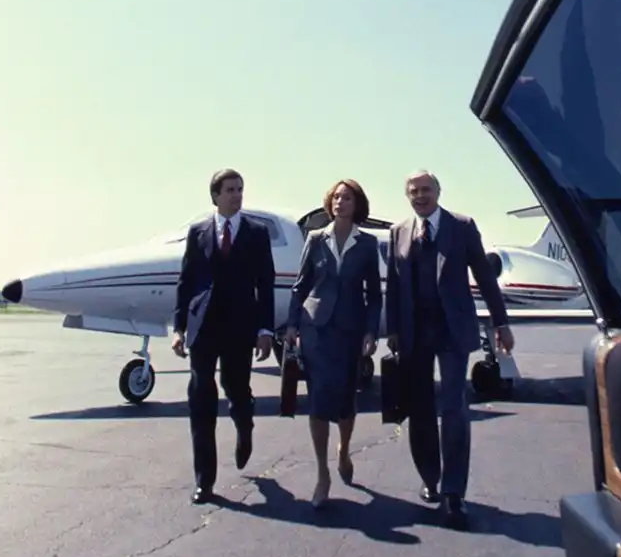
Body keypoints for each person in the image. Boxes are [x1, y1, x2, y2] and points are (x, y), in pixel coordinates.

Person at [383, 170, 513, 528]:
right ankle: (430, 478)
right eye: (414, 191)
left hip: (452, 330)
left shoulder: (462, 226)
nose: (421, 196)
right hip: (414, 331)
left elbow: (485, 278)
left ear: (438, 192)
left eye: (426, 190)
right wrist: (392, 329)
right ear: (407, 195)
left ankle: (454, 491)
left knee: (454, 405)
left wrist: (500, 323)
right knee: (420, 407)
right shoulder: (399, 232)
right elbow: (394, 285)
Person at [172, 168, 277, 504]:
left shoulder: (256, 233)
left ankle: (245, 426)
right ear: (215, 195)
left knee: (236, 389)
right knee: (201, 399)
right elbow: (186, 281)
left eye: (240, 189)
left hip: (239, 326)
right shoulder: (198, 232)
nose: (237, 195)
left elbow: (266, 283)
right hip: (203, 326)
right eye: (230, 189)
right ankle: (205, 481)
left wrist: (265, 329)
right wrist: (178, 328)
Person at [281, 179, 383, 509]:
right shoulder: (315, 239)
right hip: (316, 330)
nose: (340, 202)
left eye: (347, 197)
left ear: (357, 204)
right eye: (336, 197)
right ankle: (322, 474)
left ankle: (344, 448)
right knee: (318, 400)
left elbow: (374, 294)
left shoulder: (366, 245)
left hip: (350, 331)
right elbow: (300, 286)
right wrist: (293, 324)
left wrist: (370, 330)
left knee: (346, 400)